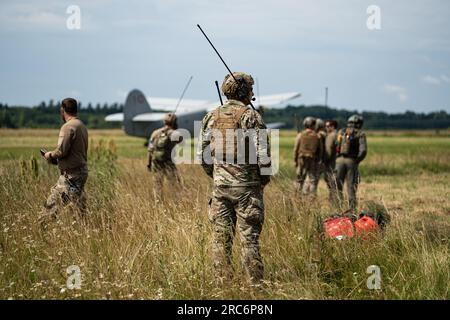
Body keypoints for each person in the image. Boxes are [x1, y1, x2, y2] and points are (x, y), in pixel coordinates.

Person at [198, 72, 271, 284]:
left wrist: (216, 175)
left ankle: (223, 286)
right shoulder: (251, 117)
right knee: (249, 241)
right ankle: (255, 288)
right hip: (247, 189)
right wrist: (262, 181)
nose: (253, 92)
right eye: (250, 88)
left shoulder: (211, 116)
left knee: (221, 241)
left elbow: (202, 154)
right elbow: (263, 156)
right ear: (243, 91)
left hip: (220, 188)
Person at [41, 98, 88, 221]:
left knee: (49, 208)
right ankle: (82, 232)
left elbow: (62, 151)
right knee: (78, 209)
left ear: (63, 110)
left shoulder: (68, 127)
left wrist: (49, 155)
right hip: (81, 172)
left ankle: (42, 229)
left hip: (70, 176)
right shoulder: (81, 125)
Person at [335, 115, 367, 211]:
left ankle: (337, 207)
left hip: (339, 161)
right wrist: (357, 160)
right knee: (351, 186)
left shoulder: (341, 132)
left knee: (337, 186)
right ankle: (352, 209)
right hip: (351, 161)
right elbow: (363, 150)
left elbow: (336, 146)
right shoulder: (360, 134)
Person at [147, 113, 183, 191]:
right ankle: (176, 201)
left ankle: (158, 202)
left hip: (155, 162)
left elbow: (150, 150)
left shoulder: (155, 133)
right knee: (175, 184)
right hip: (168, 162)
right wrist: (172, 130)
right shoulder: (172, 133)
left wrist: (149, 164)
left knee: (157, 185)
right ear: (174, 122)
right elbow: (181, 139)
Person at [293, 117, 323, 196]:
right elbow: (320, 151)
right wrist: (318, 160)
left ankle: (297, 197)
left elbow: (295, 149)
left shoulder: (300, 135)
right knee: (312, 180)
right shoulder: (317, 136)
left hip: (301, 160)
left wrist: (295, 161)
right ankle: (311, 198)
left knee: (299, 180)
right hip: (313, 160)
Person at [324, 119, 338, 204]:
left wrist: (324, 161)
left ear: (333, 126)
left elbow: (328, 151)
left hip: (331, 163)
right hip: (338, 162)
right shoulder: (340, 134)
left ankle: (333, 201)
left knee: (331, 183)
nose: (326, 128)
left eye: (328, 126)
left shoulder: (331, 136)